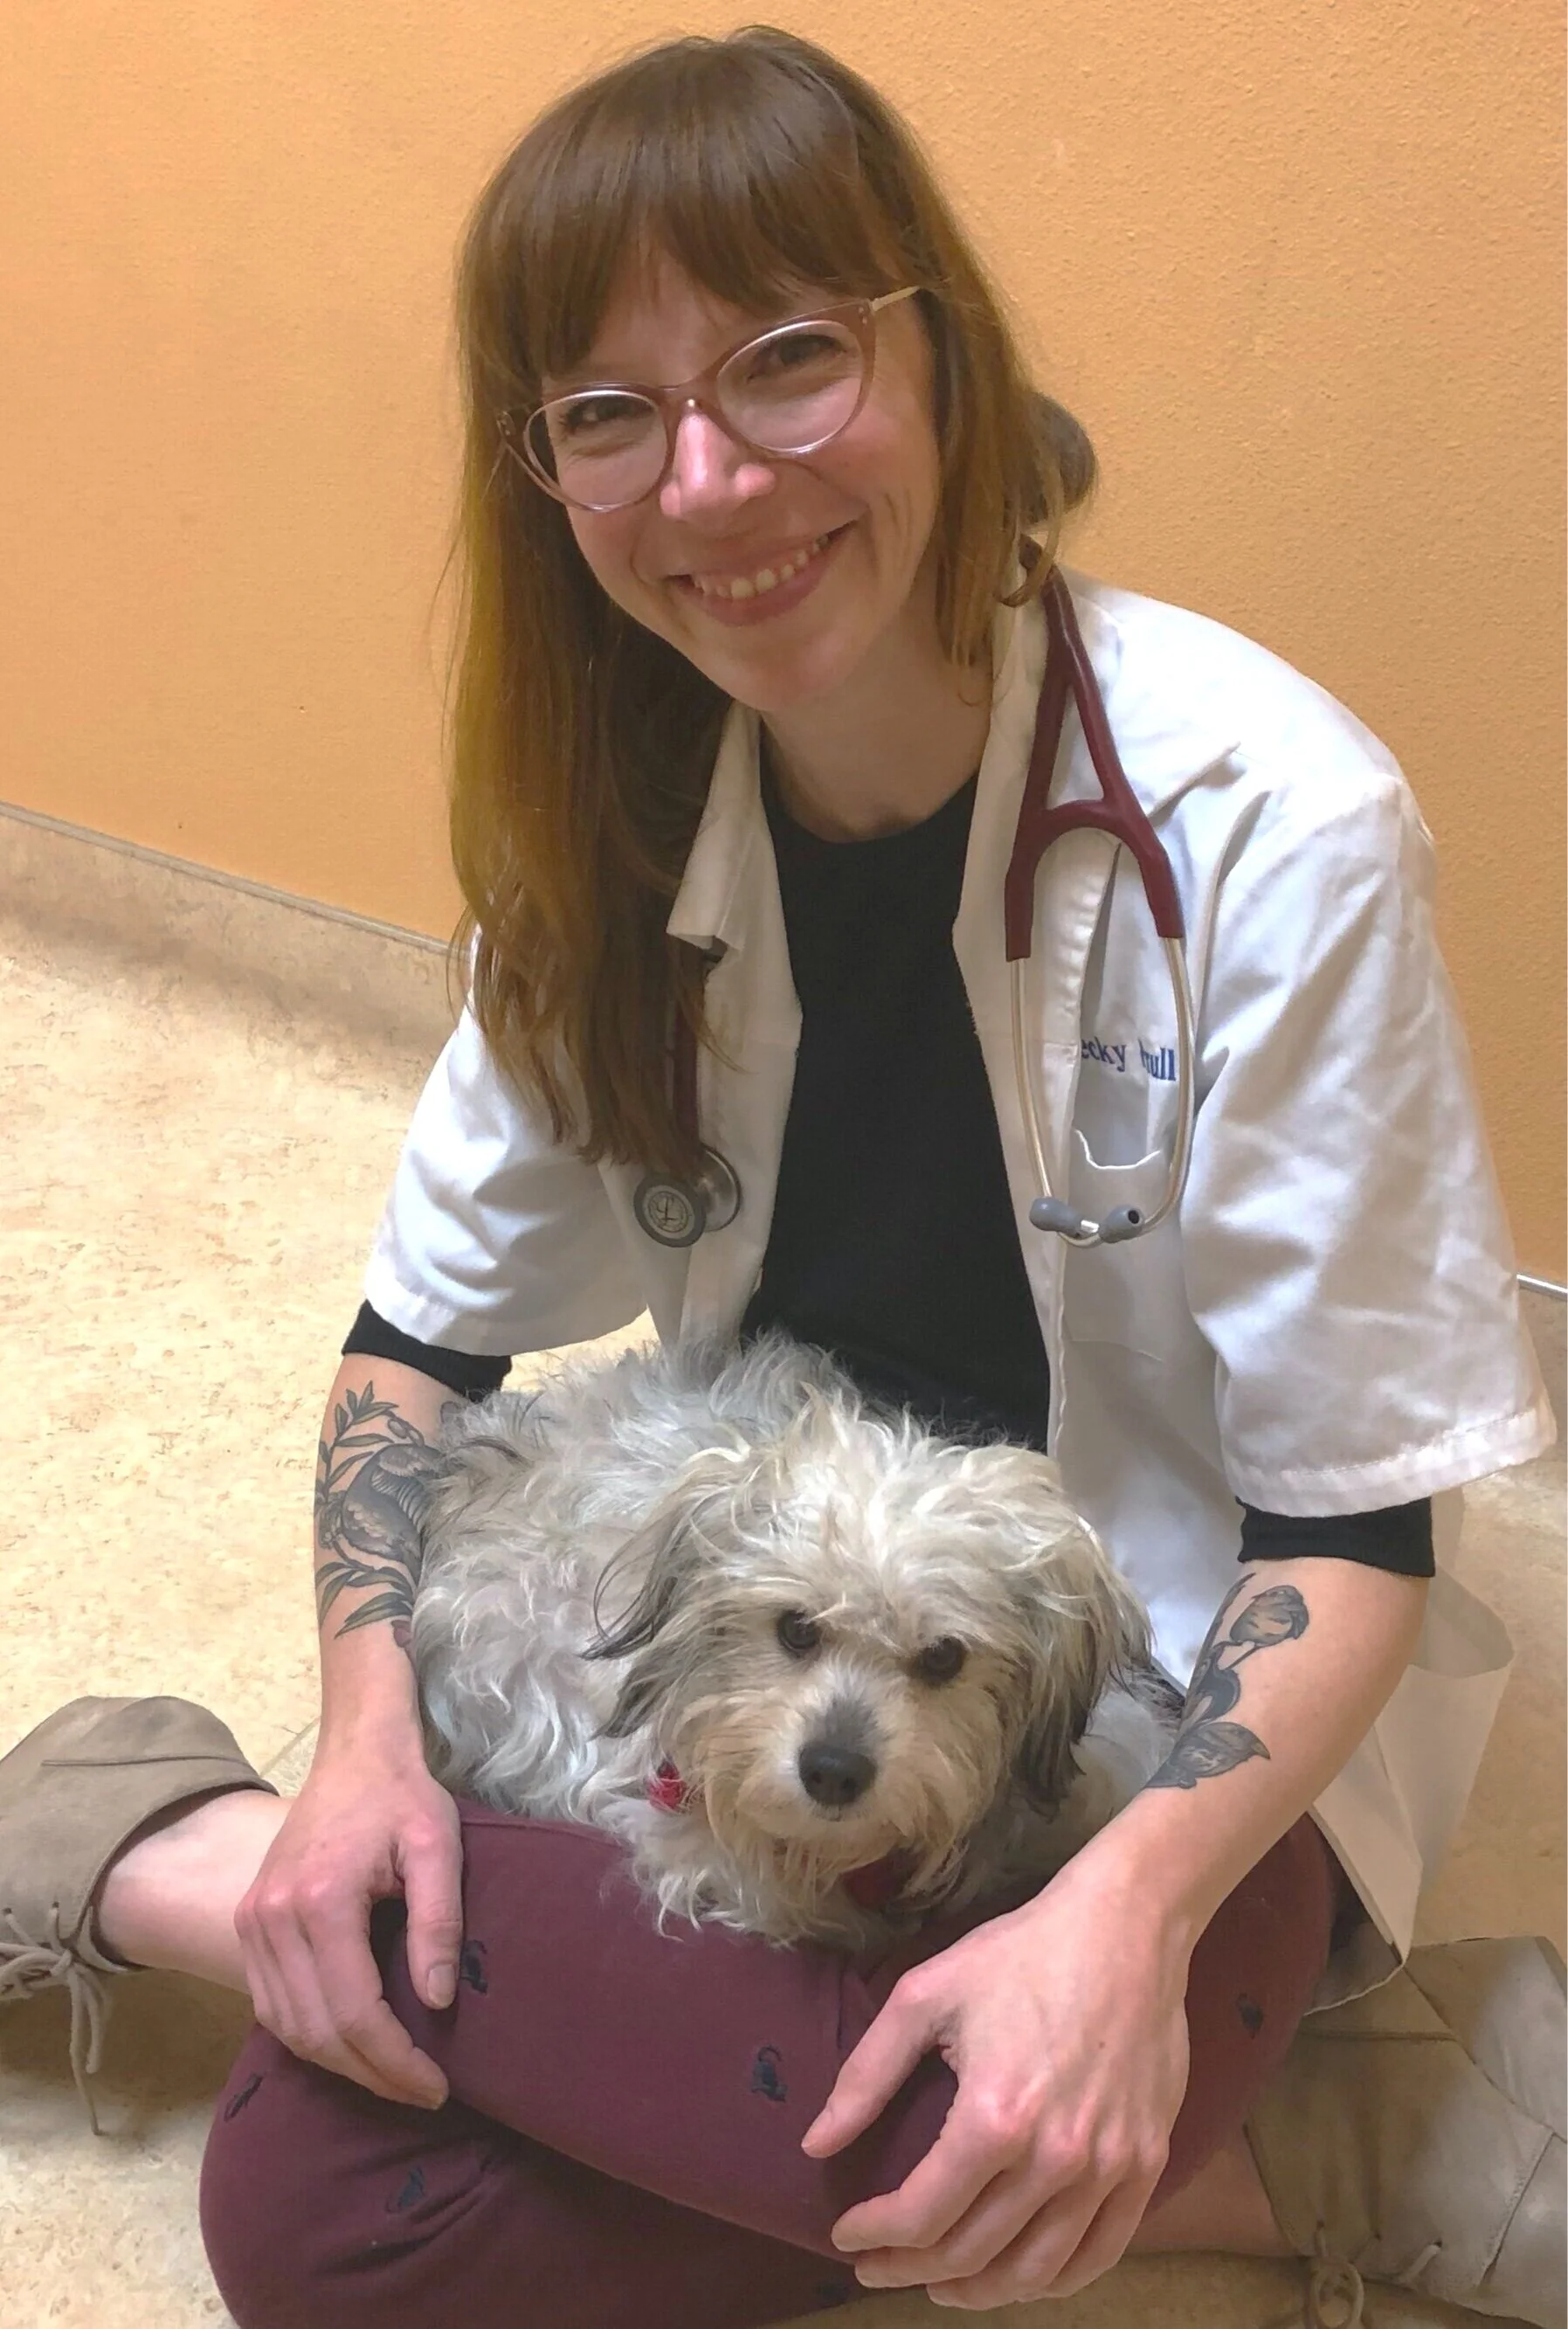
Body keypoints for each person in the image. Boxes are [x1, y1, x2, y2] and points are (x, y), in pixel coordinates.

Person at [1, 25, 1562, 2329]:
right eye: (612, 414)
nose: (712, 481)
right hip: (781, 1649)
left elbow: (1349, 1529)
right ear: (551, 474)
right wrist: (351, 1759)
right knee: (331, 2224)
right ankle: (1325, 2147)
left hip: (1146, 1710)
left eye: (791, 361)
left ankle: (129, 1850)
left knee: (398, 2201)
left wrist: (1125, 1917)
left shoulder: (1267, 823)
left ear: (944, 350)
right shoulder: (608, 840)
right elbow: (420, 1356)